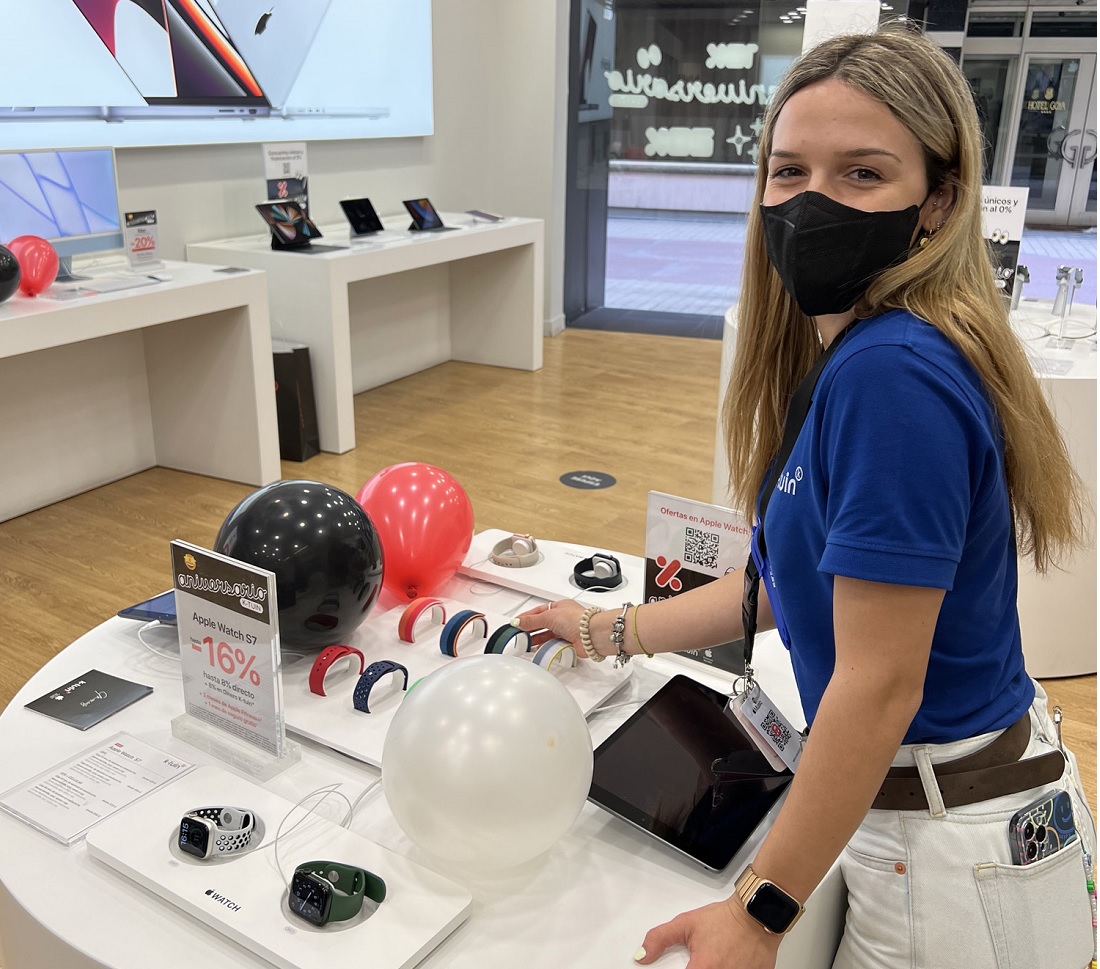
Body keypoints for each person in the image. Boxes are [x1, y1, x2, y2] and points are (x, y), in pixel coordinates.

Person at [518, 25, 1095, 969]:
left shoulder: (893, 375)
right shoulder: (857, 354)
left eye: (861, 173)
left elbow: (878, 684)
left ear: (937, 202)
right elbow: (786, 586)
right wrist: (604, 629)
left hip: (945, 856)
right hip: (943, 822)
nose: (811, 201)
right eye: (788, 172)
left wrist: (758, 910)